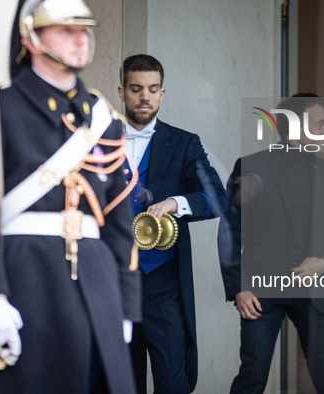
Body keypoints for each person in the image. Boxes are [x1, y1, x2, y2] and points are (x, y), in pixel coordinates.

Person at [0, 0, 141, 393]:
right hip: (24, 281)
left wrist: (125, 303)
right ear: (31, 38)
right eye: (65, 30)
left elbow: (121, 223)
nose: (80, 40)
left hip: (97, 286)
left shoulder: (104, 120)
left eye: (84, 30)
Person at [219, 94, 324, 394]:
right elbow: (230, 230)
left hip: (314, 291)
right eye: (320, 124)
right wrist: (239, 287)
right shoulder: (251, 165)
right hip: (260, 291)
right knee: (252, 378)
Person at [117, 54, 228, 394]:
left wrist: (176, 203)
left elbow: (217, 199)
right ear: (122, 91)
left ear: (162, 94)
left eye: (152, 89)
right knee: (117, 382)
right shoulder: (96, 141)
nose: (144, 97)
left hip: (162, 284)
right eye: (136, 89)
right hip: (111, 280)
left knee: (173, 384)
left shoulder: (184, 143)